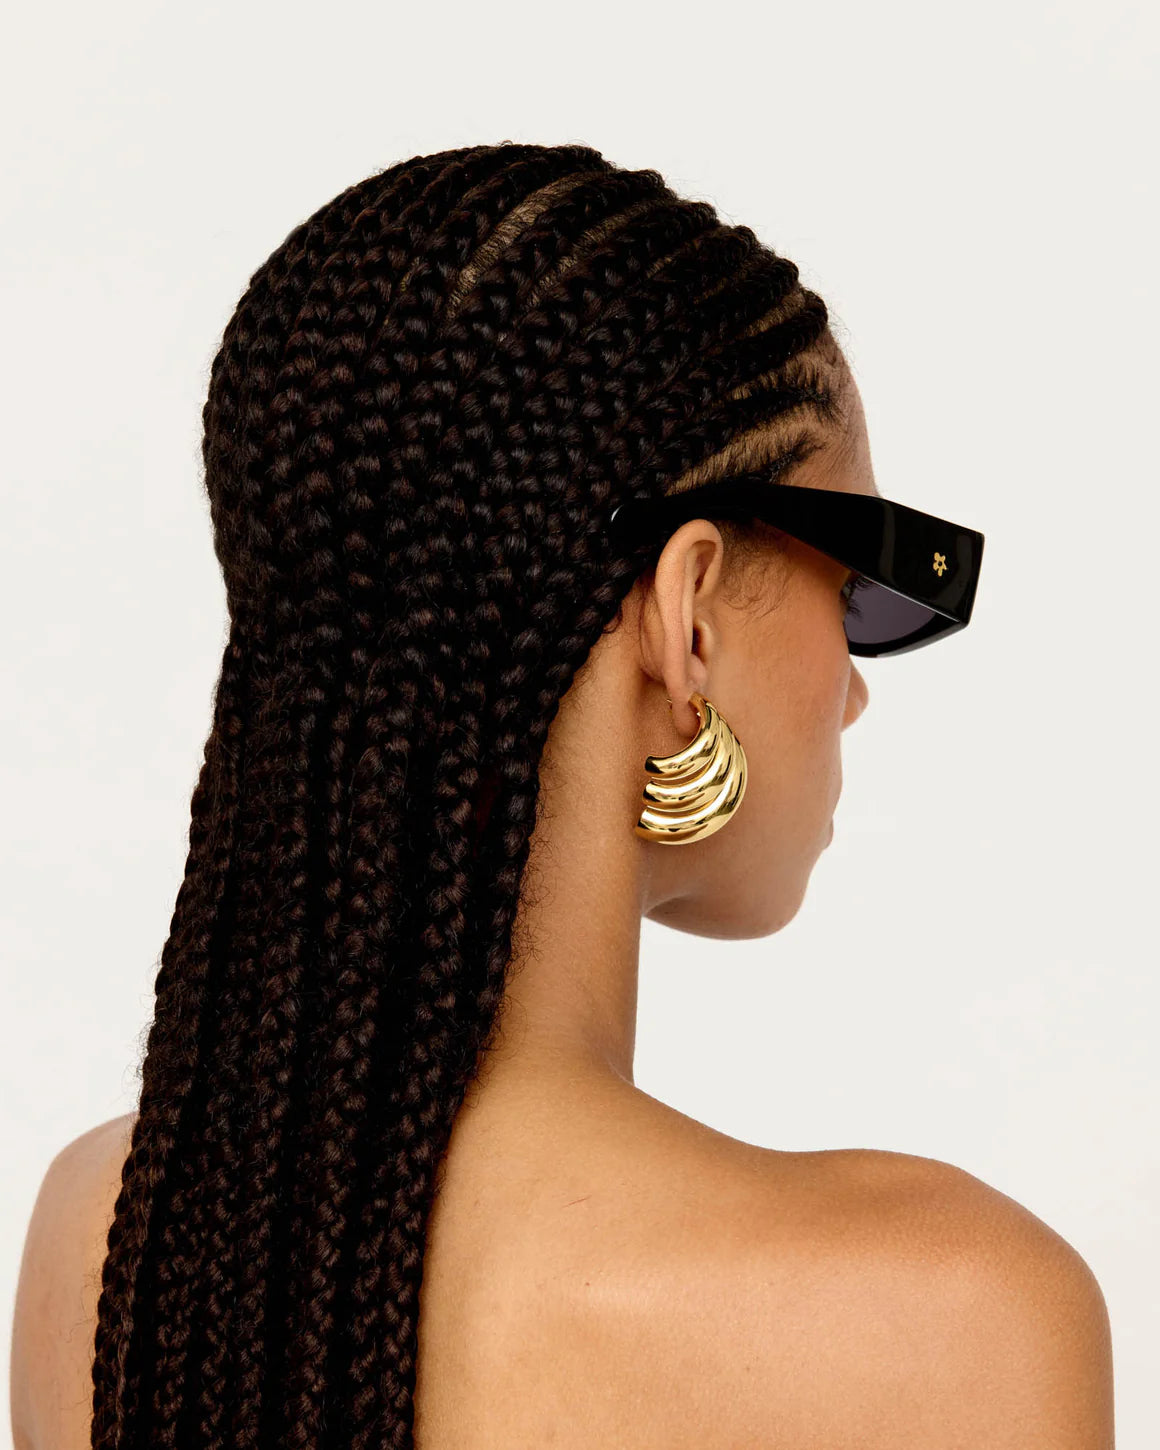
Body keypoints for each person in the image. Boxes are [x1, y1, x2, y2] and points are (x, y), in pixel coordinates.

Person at [10, 141, 1113, 1450]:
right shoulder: (954, 1309)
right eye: (865, 587)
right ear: (688, 613)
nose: (858, 685)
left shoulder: (113, 1241)